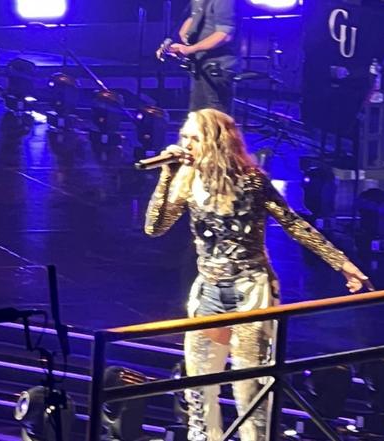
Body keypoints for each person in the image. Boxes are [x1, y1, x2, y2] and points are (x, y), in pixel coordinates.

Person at [144, 109, 370, 441]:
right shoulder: (187, 179)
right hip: (209, 289)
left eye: (195, 138)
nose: (186, 145)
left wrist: (341, 263)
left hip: (250, 289)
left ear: (216, 142)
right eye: (184, 137)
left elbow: (293, 223)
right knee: (199, 388)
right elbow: (154, 227)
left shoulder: (251, 180)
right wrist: (167, 175)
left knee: (250, 388)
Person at [156, 0, 240, 115]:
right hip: (200, 66)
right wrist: (181, 43)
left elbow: (225, 34)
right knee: (197, 117)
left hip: (218, 68)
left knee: (215, 118)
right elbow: (193, 18)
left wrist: (190, 49)